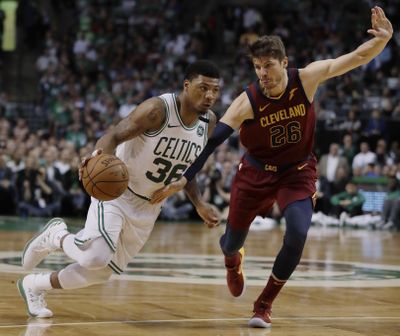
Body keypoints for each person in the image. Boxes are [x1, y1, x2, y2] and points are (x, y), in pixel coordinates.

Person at [151, 6, 393, 328]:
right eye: (256, 67)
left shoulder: (305, 80)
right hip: (254, 173)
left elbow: (354, 58)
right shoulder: (247, 101)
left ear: (284, 63)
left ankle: (264, 303)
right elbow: (212, 142)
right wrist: (185, 177)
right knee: (230, 243)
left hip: (297, 172)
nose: (262, 73)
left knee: (297, 234)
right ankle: (232, 260)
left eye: (267, 66)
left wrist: (383, 40)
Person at [18, 60, 222, 318]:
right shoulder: (157, 110)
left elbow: (187, 169)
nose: (210, 96)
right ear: (186, 85)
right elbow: (113, 136)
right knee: (95, 258)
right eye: (203, 88)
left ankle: (34, 285)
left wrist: (199, 203)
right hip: (118, 192)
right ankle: (55, 235)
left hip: (150, 205)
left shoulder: (209, 122)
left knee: (101, 273)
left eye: (215, 90)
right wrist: (97, 157)